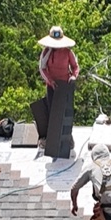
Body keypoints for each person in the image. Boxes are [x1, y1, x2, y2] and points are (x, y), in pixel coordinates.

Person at [35, 26, 79, 160]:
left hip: (65, 86)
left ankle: (67, 139)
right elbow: (42, 68)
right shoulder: (46, 52)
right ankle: (49, 140)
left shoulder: (68, 52)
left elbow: (75, 67)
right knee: (52, 112)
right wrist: (50, 80)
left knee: (66, 112)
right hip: (52, 86)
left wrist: (73, 77)